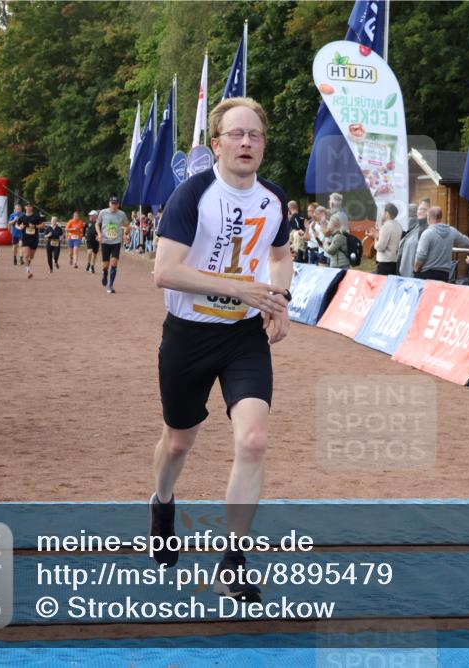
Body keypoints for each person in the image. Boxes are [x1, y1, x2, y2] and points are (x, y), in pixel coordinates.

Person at [150, 97, 292, 603]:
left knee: (253, 441)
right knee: (178, 442)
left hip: (243, 337)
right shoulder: (193, 195)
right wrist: (240, 288)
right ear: (217, 144)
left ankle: (233, 561)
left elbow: (280, 255)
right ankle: (163, 503)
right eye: (236, 134)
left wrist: (278, 301)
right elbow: (164, 271)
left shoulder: (273, 199)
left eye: (255, 135)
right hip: (188, 335)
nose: (247, 142)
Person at [414, 206, 469, 282]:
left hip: (426, 275)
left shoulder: (427, 233)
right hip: (444, 275)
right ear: (441, 217)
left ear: (429, 217)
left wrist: (416, 269)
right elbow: (467, 242)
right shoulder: (452, 231)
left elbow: (421, 255)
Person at [96, 196, 129, 293]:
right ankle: (105, 273)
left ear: (118, 205)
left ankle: (110, 285)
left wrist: (125, 235)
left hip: (116, 242)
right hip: (105, 242)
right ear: (109, 204)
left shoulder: (122, 214)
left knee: (114, 263)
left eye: (115, 204)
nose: (114, 205)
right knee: (106, 265)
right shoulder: (103, 212)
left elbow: (127, 226)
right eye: (112, 203)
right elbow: (97, 224)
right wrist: (99, 234)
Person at [398, 199, 430, 278]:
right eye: (420, 209)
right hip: (405, 275)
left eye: (424, 209)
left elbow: (423, 254)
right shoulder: (416, 227)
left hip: (416, 276)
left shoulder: (428, 230)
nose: (421, 211)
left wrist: (416, 270)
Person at [370, 203, 401, 276]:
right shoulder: (398, 226)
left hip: (385, 264)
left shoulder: (386, 227)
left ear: (387, 213)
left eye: (383, 212)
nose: (382, 214)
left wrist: (375, 237)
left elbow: (380, 247)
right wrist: (378, 236)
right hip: (394, 262)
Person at [17, 203, 44, 279]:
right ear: (25, 207)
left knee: (31, 256)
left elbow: (43, 225)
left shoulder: (36, 216)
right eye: (27, 206)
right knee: (26, 255)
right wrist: (20, 227)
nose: (28, 207)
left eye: (30, 206)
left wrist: (35, 226)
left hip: (34, 238)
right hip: (25, 238)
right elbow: (17, 225)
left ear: (32, 208)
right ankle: (28, 271)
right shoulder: (22, 217)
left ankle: (27, 264)